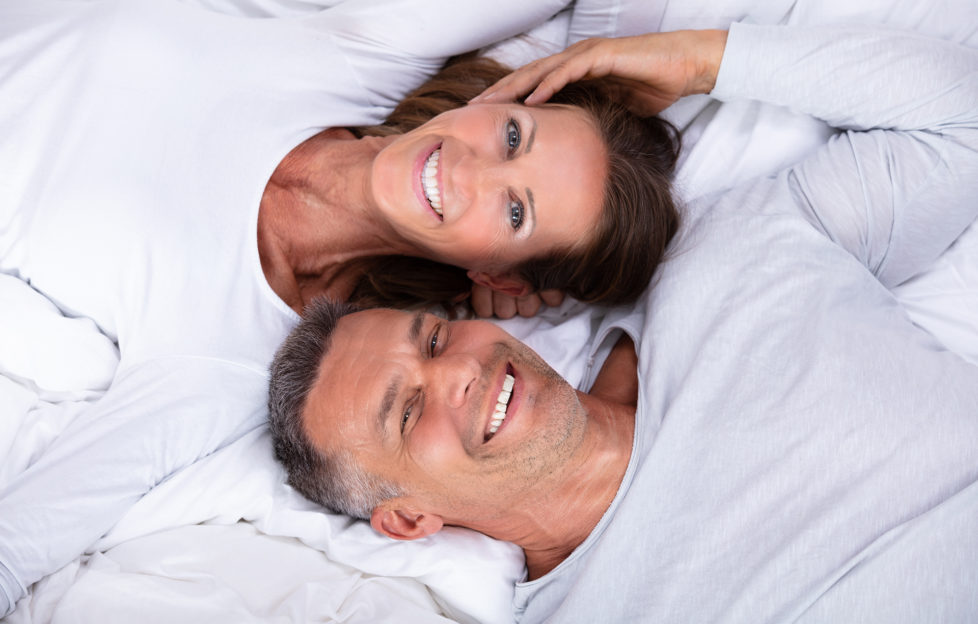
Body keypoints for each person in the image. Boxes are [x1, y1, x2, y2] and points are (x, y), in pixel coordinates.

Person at [268, 23, 978, 623]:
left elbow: (963, 116)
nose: (461, 371)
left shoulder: (732, 259)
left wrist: (700, 60)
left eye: (435, 339)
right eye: (408, 411)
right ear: (408, 520)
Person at [0, 0, 685, 615]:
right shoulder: (361, 54)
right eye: (512, 138)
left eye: (514, 212)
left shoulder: (219, 359)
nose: (467, 169)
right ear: (499, 102)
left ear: (499, 280)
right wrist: (627, 69)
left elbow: (16, 547)